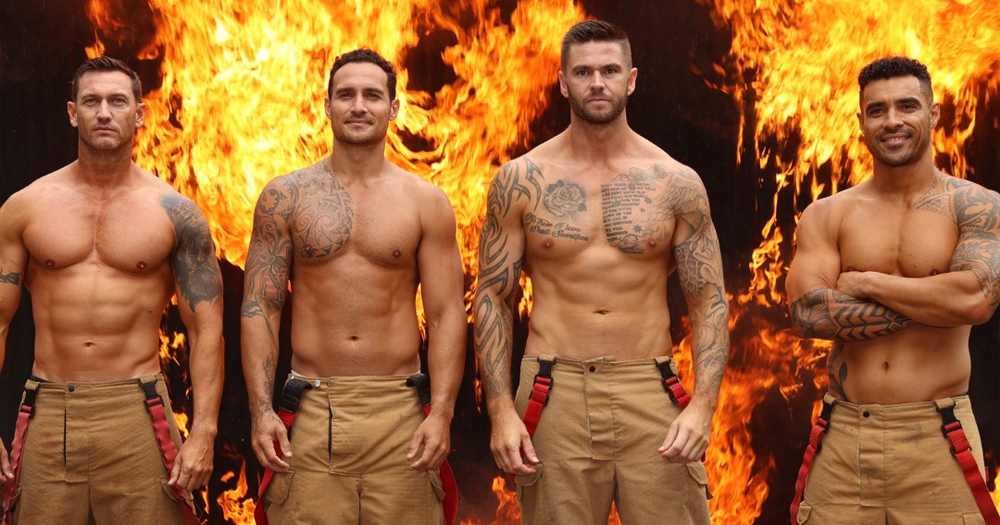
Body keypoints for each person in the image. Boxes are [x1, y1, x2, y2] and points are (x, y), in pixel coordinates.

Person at [474, 20, 730, 525]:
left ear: (631, 79)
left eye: (610, 70)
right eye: (583, 72)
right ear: (563, 82)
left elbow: (709, 301)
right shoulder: (521, 179)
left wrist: (703, 405)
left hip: (650, 388)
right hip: (554, 388)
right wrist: (501, 409)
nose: (597, 82)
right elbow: (492, 298)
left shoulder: (675, 181)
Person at [241, 48, 466, 525]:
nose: (358, 105)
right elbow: (260, 305)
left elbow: (447, 313)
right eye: (345, 95)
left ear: (394, 107)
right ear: (326, 107)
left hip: (401, 411)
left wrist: (441, 412)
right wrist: (261, 411)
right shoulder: (286, 196)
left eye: (372, 95)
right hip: (312, 407)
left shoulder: (425, 201)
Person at [0, 56, 224, 525]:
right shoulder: (25, 207)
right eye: (92, 101)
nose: (104, 112)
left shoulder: (175, 213)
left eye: (117, 101)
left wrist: (204, 429)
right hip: (49, 407)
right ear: (71, 112)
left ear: (140, 114)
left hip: (137, 411)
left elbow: (206, 330)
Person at [786, 56, 1000, 524]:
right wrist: (935, 296)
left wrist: (866, 282)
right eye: (878, 110)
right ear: (860, 120)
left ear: (934, 113)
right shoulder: (829, 214)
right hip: (843, 437)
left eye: (908, 106)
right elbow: (808, 314)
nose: (893, 121)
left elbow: (976, 299)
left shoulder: (978, 205)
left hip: (939, 436)